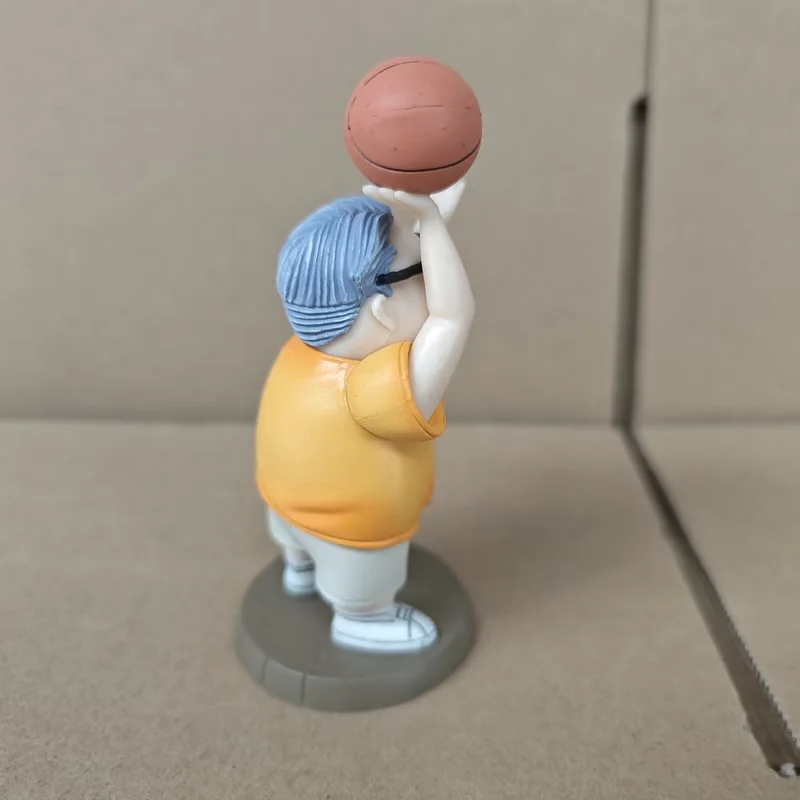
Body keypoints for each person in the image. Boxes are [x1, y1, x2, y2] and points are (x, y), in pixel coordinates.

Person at [255, 181, 474, 654]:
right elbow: (451, 319)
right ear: (380, 311)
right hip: (351, 532)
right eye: (421, 273)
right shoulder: (374, 388)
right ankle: (361, 618)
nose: (431, 283)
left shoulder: (299, 352)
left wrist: (427, 224)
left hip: (284, 508)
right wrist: (433, 229)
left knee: (301, 544)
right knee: (364, 579)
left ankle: (299, 567)